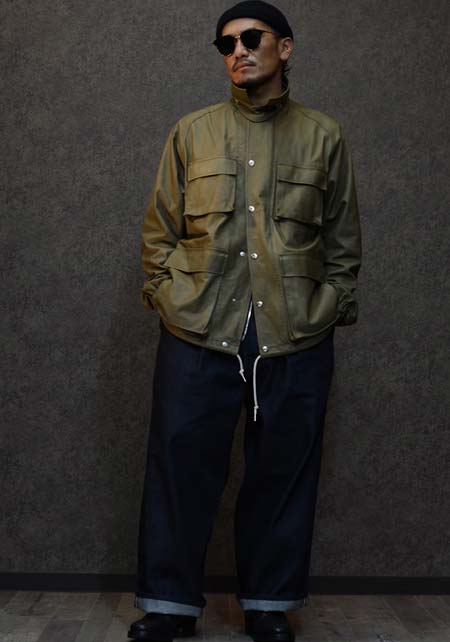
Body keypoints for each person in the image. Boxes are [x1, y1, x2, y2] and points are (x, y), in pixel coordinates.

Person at [128, 1, 362, 641]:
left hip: (293, 330)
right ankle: (169, 607)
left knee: (283, 469)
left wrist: (329, 304)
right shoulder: (192, 132)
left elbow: (343, 241)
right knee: (180, 462)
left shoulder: (324, 136)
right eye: (226, 43)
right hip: (199, 326)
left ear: (284, 48)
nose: (239, 50)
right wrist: (166, 295)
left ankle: (267, 603)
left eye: (252, 38)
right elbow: (159, 232)